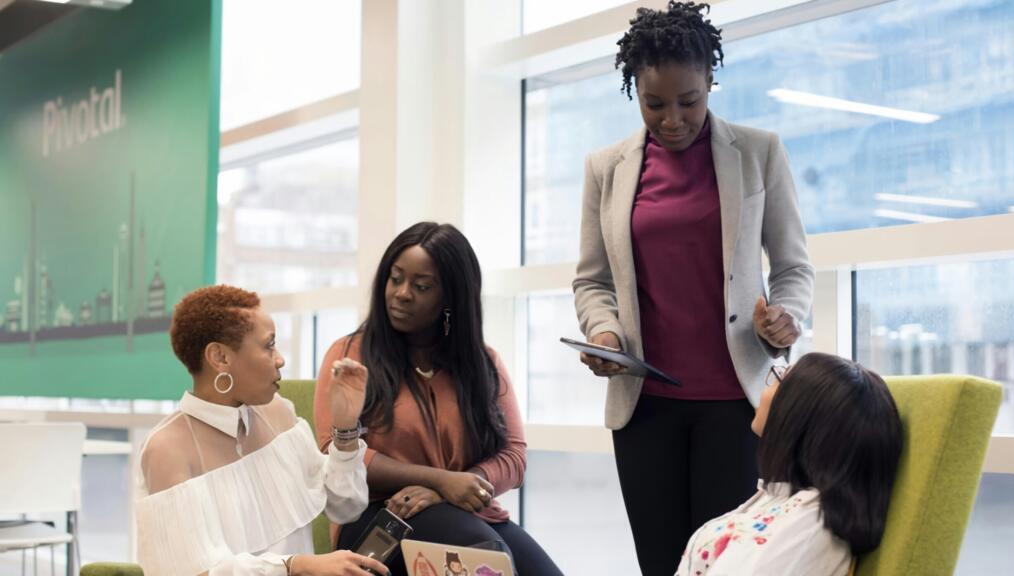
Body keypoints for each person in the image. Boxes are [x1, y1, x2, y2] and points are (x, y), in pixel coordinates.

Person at [572, 2, 815, 573]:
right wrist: (602, 329)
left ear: (710, 81)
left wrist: (786, 315)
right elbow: (592, 279)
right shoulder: (605, 168)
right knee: (661, 564)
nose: (673, 118)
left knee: (729, 566)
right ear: (634, 89)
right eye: (655, 104)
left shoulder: (758, 153)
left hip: (736, 406)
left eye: (689, 101)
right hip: (644, 407)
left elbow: (794, 267)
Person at [315, 222, 562, 576]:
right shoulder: (351, 355)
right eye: (395, 278)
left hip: (464, 511)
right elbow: (334, 448)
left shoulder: (483, 362)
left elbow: (514, 456)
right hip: (381, 517)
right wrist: (442, 481)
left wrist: (452, 490)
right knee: (483, 558)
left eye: (421, 286)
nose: (401, 293)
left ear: (451, 298)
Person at [136, 285, 389, 576]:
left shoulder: (279, 413)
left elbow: (346, 508)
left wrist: (345, 428)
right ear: (220, 357)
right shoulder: (166, 448)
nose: (280, 358)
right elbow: (192, 572)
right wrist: (296, 566)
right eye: (269, 345)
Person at [676, 353, 903, 575]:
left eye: (778, 378)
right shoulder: (785, 498)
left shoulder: (810, 525)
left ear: (799, 413)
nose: (765, 389)